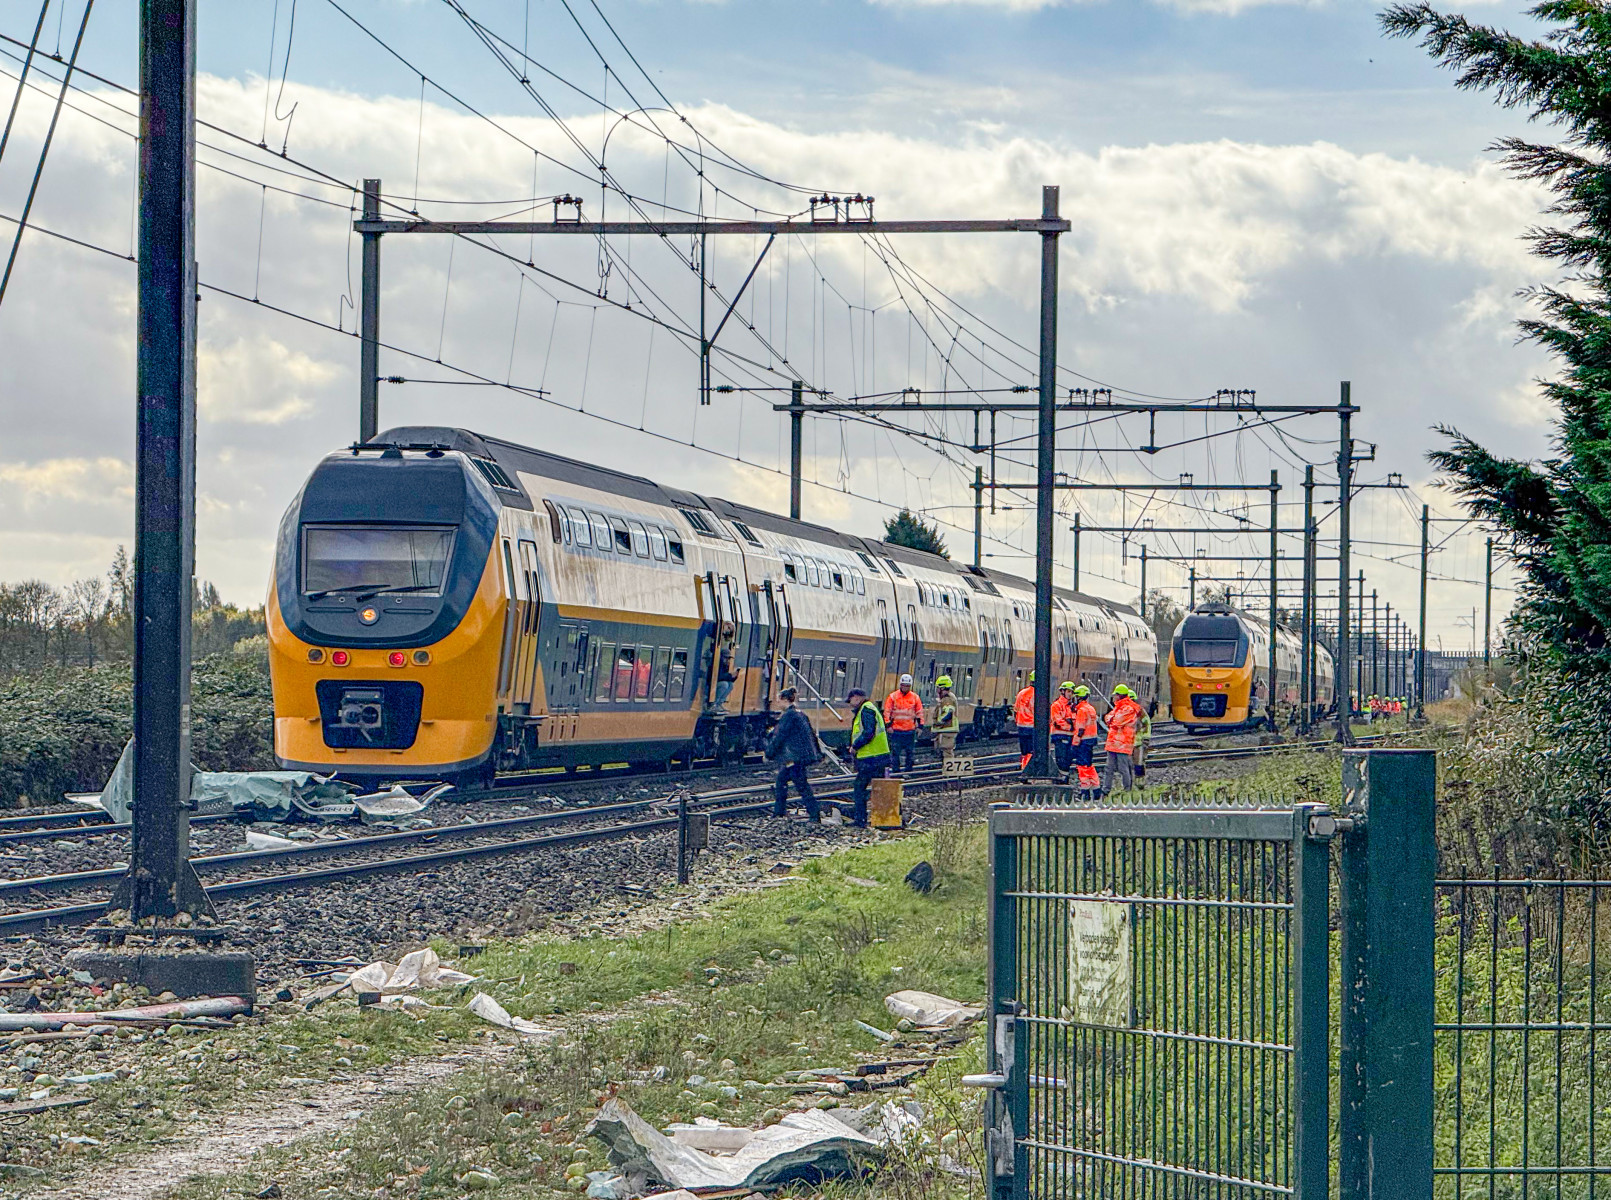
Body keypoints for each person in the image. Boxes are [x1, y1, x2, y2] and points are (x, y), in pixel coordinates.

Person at [765, 687, 820, 821]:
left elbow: (780, 736)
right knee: (782, 781)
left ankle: (814, 815)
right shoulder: (800, 714)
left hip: (794, 757)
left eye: (778, 700)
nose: (777, 703)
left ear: (785, 700)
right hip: (798, 756)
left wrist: (768, 754)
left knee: (801, 785)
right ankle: (779, 812)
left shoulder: (789, 716)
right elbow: (812, 735)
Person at [846, 687, 890, 828]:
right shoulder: (869, 708)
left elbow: (868, 732)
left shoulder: (866, 710)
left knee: (859, 787)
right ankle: (884, 818)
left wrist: (855, 746)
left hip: (871, 757)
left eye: (851, 700)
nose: (850, 703)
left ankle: (861, 820)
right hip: (877, 756)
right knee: (879, 788)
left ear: (857, 698)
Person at [1102, 684, 1141, 796]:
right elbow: (1107, 718)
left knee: (1123, 768)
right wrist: (1111, 719)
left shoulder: (1129, 708)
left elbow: (1116, 721)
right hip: (1113, 743)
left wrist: (1112, 719)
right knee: (1109, 768)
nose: (1114, 697)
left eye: (1116, 695)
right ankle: (1106, 790)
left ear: (1120, 695)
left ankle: (1127, 790)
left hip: (1123, 744)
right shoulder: (1118, 707)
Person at [883, 673, 924, 774]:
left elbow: (919, 712)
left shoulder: (915, 697)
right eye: (904, 685)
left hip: (910, 730)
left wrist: (920, 726)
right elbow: (887, 712)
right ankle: (896, 771)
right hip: (896, 730)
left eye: (907, 686)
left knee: (910, 753)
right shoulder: (893, 697)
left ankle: (908, 771)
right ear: (900, 685)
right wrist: (888, 725)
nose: (905, 687)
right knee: (895, 752)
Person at [1071, 685, 1101, 799]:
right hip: (1091, 740)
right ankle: (1096, 789)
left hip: (1083, 741)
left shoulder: (1082, 710)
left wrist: (1075, 744)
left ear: (1079, 698)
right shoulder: (1091, 708)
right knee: (1089, 765)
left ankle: (1085, 791)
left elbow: (1080, 729)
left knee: (1082, 766)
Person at [1050, 681, 1078, 781]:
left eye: (1072, 692)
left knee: (1068, 759)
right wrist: (1069, 726)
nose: (1070, 694)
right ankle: (1060, 777)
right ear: (1063, 692)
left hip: (1070, 737)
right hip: (1060, 736)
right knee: (1061, 758)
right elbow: (1057, 720)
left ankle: (1064, 777)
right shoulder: (1056, 705)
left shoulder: (1072, 706)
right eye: (1069, 691)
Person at [931, 676, 959, 765]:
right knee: (944, 750)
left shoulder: (947, 699)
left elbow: (948, 713)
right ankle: (945, 768)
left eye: (938, 688)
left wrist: (939, 722)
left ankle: (949, 771)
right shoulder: (948, 698)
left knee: (947, 751)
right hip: (946, 729)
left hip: (947, 729)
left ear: (942, 688)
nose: (937, 690)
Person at [1014, 671, 1036, 778]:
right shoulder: (1038, 695)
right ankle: (1029, 770)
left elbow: (1015, 710)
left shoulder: (1021, 693)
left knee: (1024, 751)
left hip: (1021, 725)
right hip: (1033, 726)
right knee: (1032, 750)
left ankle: (1023, 768)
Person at [712, 630, 738, 712]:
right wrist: (730, 676)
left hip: (717, 684)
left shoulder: (725, 665)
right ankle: (713, 704)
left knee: (730, 685)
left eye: (728, 658)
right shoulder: (717, 664)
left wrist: (734, 676)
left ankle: (719, 703)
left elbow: (726, 678)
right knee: (724, 685)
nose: (727, 660)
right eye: (726, 658)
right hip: (711, 685)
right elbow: (717, 676)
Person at [1133, 702, 1153, 781]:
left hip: (1138, 743)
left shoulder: (1140, 712)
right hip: (1128, 744)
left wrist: (1145, 739)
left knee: (1139, 762)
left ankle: (1139, 781)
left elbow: (1146, 725)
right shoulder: (1122, 711)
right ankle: (1132, 783)